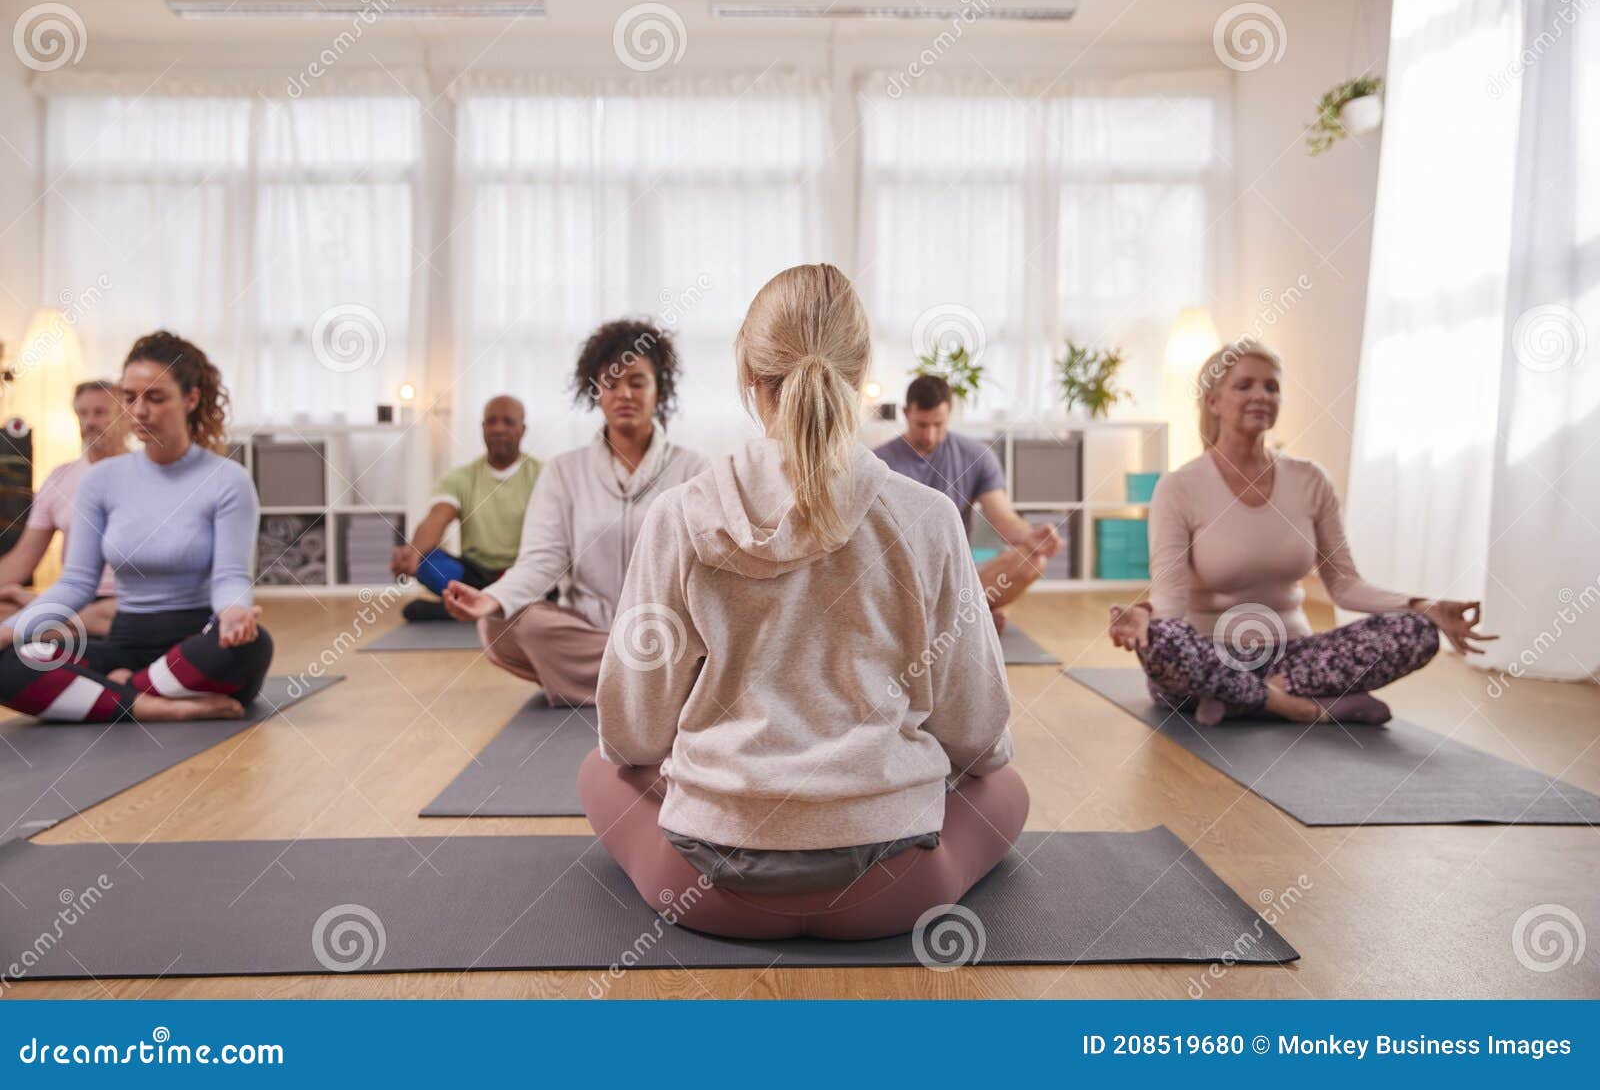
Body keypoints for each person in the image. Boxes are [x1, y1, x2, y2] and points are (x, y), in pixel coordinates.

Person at [579, 264, 1027, 941]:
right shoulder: (928, 517)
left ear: (748, 376)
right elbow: (981, 735)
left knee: (598, 766)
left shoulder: (678, 514)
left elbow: (631, 733)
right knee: (1007, 786)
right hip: (892, 890)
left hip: (707, 889)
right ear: (861, 373)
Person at [1107, 338, 1492, 726]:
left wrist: (1422, 605)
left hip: (1293, 658)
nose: (1261, 395)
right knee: (1161, 641)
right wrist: (1143, 616)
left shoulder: (1309, 479)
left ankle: (1243, 698)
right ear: (1213, 401)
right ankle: (1298, 707)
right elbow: (1170, 603)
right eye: (1245, 385)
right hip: (1209, 656)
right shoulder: (1180, 487)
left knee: (1417, 632)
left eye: (1271, 387)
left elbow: (1345, 586)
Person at [0, 331, 273, 723]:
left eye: (156, 398)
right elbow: (76, 582)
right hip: (125, 641)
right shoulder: (101, 481)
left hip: (195, 647)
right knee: (11, 660)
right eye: (129, 398)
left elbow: (230, 575)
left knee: (252, 646)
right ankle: (153, 703)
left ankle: (114, 693)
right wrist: (12, 629)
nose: (139, 411)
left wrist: (234, 614)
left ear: (191, 399)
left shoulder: (228, 480)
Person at [442, 318, 708, 707]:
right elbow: (543, 559)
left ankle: (623, 686)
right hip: (590, 629)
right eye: (611, 383)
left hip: (666, 632)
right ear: (595, 391)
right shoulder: (564, 471)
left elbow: (708, 567)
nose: (624, 394)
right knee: (506, 622)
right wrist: (493, 598)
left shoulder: (694, 468)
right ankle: (657, 689)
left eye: (637, 382)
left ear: (659, 390)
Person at [873, 374, 1062, 631]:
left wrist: (1032, 537)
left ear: (949, 412)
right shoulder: (879, 462)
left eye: (938, 424)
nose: (929, 434)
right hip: (900, 581)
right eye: (921, 424)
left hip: (957, 578)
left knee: (1033, 560)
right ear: (906, 414)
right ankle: (969, 619)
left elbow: (1002, 518)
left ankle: (953, 619)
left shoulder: (977, 456)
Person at [391, 395, 539, 622]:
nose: (499, 429)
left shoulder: (543, 475)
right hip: (473, 575)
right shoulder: (459, 478)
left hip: (522, 574)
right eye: (491, 421)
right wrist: (413, 554)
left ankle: (471, 608)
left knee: (549, 576)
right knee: (428, 562)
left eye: (508, 422)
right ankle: (494, 608)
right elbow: (437, 519)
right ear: (482, 428)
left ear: (523, 429)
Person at [0, 380, 127, 636]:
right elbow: (23, 559)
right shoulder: (60, 478)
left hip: (121, 601)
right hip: (70, 599)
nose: (90, 422)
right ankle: (54, 621)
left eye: (100, 413)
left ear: (125, 417)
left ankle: (47, 620)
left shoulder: (145, 473)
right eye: (83, 413)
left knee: (115, 616)